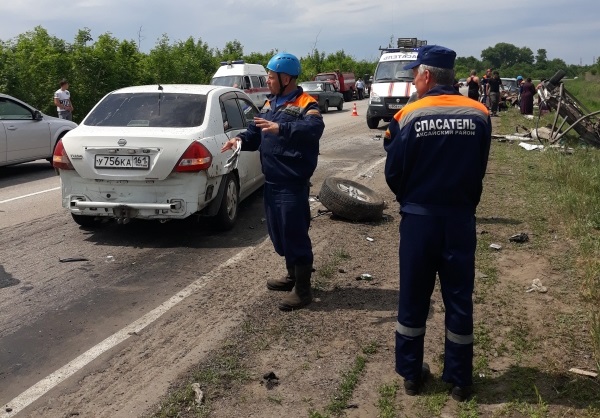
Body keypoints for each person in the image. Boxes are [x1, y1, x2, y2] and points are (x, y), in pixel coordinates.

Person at [383, 44, 491, 402]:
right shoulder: (480, 113)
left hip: (419, 220)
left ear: (427, 75)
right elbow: (479, 167)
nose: (414, 81)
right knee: (459, 298)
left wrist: (411, 201)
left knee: (413, 296)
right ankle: (461, 381)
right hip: (460, 219)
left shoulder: (408, 116)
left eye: (415, 74)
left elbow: (394, 171)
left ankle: (412, 375)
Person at [221, 53, 325, 311]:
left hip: (292, 183)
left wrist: (283, 129)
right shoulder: (271, 103)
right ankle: (292, 276)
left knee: (295, 234)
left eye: (270, 76)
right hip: (273, 182)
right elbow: (256, 131)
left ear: (285, 78)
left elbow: (314, 130)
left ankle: (303, 291)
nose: (267, 80)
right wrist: (240, 140)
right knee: (279, 233)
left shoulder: (306, 103)